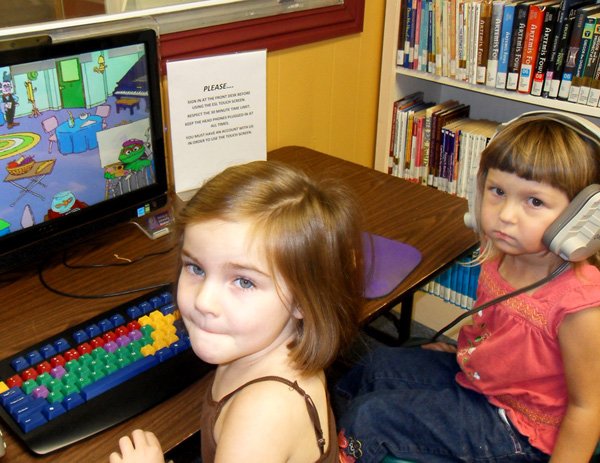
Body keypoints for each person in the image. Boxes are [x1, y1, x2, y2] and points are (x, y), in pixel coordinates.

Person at [334, 113, 600, 463]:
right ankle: (325, 431)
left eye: (534, 202)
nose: (505, 215)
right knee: (374, 366)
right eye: (497, 192)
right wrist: (469, 350)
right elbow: (498, 329)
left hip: (520, 431)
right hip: (480, 381)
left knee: (372, 417)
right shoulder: (501, 255)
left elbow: (587, 407)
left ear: (581, 218)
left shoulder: (579, 306)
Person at [109, 160, 365, 463]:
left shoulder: (260, 417)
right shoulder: (271, 343)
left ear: (303, 301)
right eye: (196, 268)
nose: (204, 301)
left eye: (244, 281)